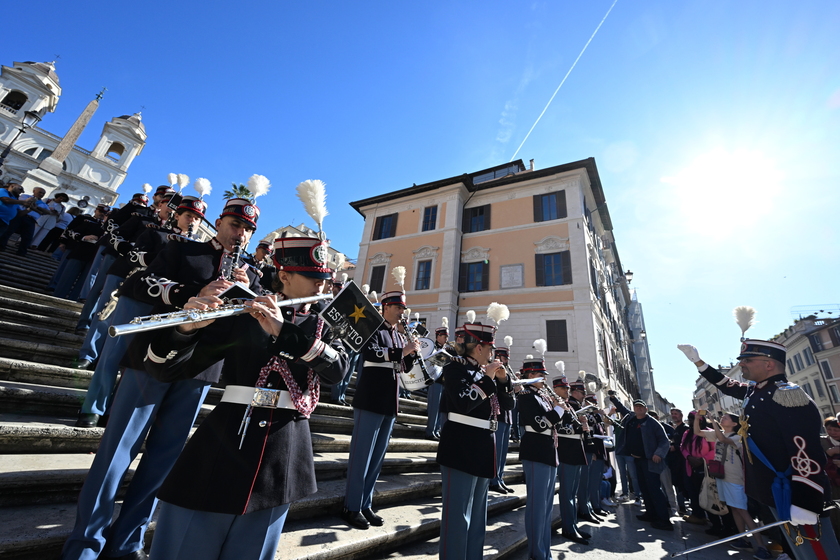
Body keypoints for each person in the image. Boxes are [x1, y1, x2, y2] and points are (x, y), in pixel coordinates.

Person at [60, 198, 262, 560]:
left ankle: (126, 543)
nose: (241, 234)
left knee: (162, 463)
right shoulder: (183, 251)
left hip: (200, 373)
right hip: (152, 361)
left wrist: (249, 299)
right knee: (117, 452)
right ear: (218, 223)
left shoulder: (252, 277)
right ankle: (85, 545)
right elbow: (139, 284)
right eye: (235, 225)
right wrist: (190, 295)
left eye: (248, 229)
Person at [145, 235, 348, 560]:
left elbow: (337, 370)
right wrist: (186, 329)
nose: (322, 287)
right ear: (284, 275)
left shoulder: (325, 325)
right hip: (221, 446)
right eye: (314, 278)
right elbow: (166, 369)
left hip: (282, 457)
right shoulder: (244, 311)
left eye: (325, 279)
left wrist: (285, 334)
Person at [679, 340, 840, 560]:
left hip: (793, 493)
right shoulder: (758, 391)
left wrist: (806, 501)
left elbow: (805, 452)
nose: (742, 365)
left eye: (748, 360)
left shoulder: (787, 395)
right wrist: (699, 362)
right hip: (772, 489)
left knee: (818, 553)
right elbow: (728, 385)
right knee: (799, 551)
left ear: (769, 365)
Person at [73, 195, 205, 426]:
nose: (192, 221)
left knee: (139, 361)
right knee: (113, 354)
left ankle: (115, 410)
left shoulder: (198, 250)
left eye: (197, 218)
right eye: (188, 216)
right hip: (138, 297)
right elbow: (135, 256)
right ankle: (93, 407)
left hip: (166, 307)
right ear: (177, 215)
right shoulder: (156, 233)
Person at [342, 286, 418, 529]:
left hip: (389, 400)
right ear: (385, 307)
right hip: (371, 397)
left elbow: (403, 367)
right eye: (397, 307)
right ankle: (351, 506)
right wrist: (402, 351)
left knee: (376, 458)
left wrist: (413, 352)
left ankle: (366, 504)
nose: (401, 312)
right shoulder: (373, 327)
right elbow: (371, 353)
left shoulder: (398, 335)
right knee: (362, 456)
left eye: (402, 308)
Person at [436, 319, 512, 560]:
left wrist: (502, 380)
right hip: (460, 446)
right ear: (479, 348)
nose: (492, 353)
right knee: (457, 519)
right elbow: (463, 401)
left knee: (478, 519)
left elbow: (508, 406)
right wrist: (488, 379)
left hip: (483, 446)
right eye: (490, 348)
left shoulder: (483, 372)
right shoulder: (454, 367)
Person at [701, 411, 772, 559]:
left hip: (735, 479)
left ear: (734, 424)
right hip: (723, 477)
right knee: (734, 508)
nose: (722, 418)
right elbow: (697, 432)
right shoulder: (722, 434)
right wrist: (697, 418)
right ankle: (743, 539)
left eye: (725, 418)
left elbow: (721, 438)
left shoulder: (739, 438)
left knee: (742, 510)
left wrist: (712, 421)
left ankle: (761, 546)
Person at [517, 357, 568, 560]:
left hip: (547, 450)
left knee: (545, 509)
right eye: (540, 376)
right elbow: (539, 424)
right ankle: (537, 554)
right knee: (537, 507)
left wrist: (558, 407)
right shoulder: (526, 396)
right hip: (536, 450)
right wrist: (558, 410)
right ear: (529, 376)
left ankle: (545, 552)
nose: (544, 380)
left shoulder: (543, 396)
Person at [609, 395, 673, 531]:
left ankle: (664, 520)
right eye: (636, 407)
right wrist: (613, 399)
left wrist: (658, 454)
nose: (638, 409)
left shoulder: (653, 423)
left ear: (646, 409)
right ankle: (650, 513)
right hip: (636, 459)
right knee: (644, 489)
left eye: (641, 407)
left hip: (650, 461)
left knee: (654, 490)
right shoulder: (631, 419)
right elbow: (622, 408)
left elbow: (664, 441)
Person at [554, 377, 591, 545]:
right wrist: (578, 426)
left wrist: (583, 425)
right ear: (555, 389)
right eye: (563, 388)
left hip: (576, 450)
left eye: (568, 388)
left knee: (573, 492)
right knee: (567, 492)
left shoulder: (568, 405)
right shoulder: (556, 404)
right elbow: (559, 427)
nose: (566, 391)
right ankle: (568, 527)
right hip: (566, 451)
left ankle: (573, 525)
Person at [53, 204, 109, 301]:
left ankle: (74, 299)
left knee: (83, 282)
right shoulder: (88, 221)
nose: (102, 215)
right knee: (67, 278)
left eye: (105, 214)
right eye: (101, 212)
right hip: (79, 253)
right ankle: (57, 297)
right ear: (96, 211)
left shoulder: (108, 230)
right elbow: (72, 232)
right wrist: (84, 237)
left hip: (94, 257)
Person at [490, 345, 515, 494]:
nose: (506, 361)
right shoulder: (493, 371)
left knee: (503, 452)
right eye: (504, 358)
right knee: (496, 451)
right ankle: (494, 479)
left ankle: (500, 478)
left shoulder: (506, 372)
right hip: (497, 415)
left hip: (507, 416)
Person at [0, 186, 54, 255]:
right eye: (40, 192)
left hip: (31, 219)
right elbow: (26, 204)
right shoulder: (25, 196)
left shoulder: (44, 204)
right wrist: (39, 211)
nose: (41, 194)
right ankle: (1, 245)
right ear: (34, 191)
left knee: (28, 237)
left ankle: (22, 252)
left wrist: (36, 207)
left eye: (43, 193)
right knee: (9, 231)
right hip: (20, 216)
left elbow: (48, 212)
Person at [423, 320, 449, 440]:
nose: (446, 339)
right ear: (438, 336)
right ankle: (430, 431)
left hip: (444, 382)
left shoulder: (447, 350)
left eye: (446, 336)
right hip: (435, 381)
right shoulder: (432, 347)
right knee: (434, 407)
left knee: (441, 408)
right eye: (444, 336)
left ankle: (437, 430)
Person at [820, 417, 840, 540]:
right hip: (832, 483)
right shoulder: (823, 441)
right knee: (835, 514)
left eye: (835, 430)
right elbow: (828, 453)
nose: (832, 432)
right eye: (829, 429)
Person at [667, 408, 690, 515]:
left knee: (683, 484)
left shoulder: (685, 428)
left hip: (684, 462)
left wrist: (675, 447)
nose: (674, 416)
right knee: (678, 483)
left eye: (676, 414)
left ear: (681, 415)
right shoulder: (676, 429)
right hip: (676, 462)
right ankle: (681, 506)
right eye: (672, 414)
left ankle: (684, 506)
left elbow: (685, 444)